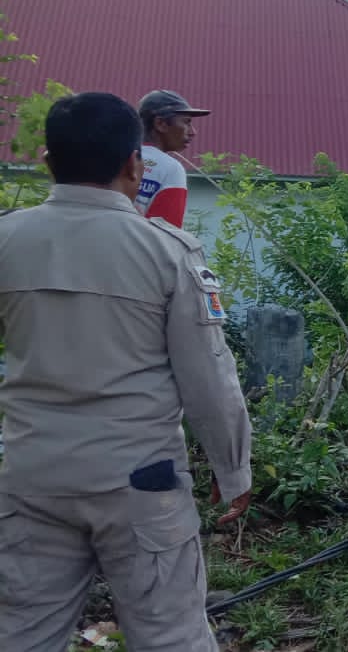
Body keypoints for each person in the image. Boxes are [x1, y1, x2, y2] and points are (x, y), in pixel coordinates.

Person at [0, 92, 253, 650]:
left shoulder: (7, 240)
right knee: (170, 635)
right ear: (134, 165)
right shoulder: (167, 252)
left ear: (47, 160)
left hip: (31, 474)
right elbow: (208, 377)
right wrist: (232, 470)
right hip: (141, 484)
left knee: (19, 632)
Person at [134, 89, 210, 228]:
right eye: (187, 122)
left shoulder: (118, 156)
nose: (193, 132)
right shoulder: (171, 168)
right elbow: (168, 233)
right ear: (161, 124)